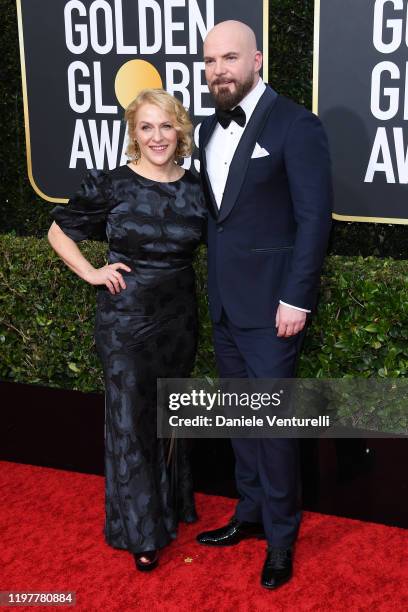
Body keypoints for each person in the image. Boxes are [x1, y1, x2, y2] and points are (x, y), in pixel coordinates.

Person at [196, 21, 332, 589]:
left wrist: (295, 298)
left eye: (229, 58)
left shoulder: (297, 125)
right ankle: (249, 515)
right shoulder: (205, 128)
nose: (219, 70)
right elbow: (218, 220)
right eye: (209, 62)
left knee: (272, 429)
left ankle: (281, 538)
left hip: (274, 309)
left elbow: (314, 220)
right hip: (226, 304)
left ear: (257, 58)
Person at [48, 89, 206, 572]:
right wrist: (93, 272)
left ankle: (171, 505)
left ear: (179, 130)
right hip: (126, 320)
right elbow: (59, 231)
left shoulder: (198, 185)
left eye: (165, 126)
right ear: (133, 134)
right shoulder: (113, 183)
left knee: (168, 416)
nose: (157, 136)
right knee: (129, 421)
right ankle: (141, 530)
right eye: (146, 127)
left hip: (178, 318)